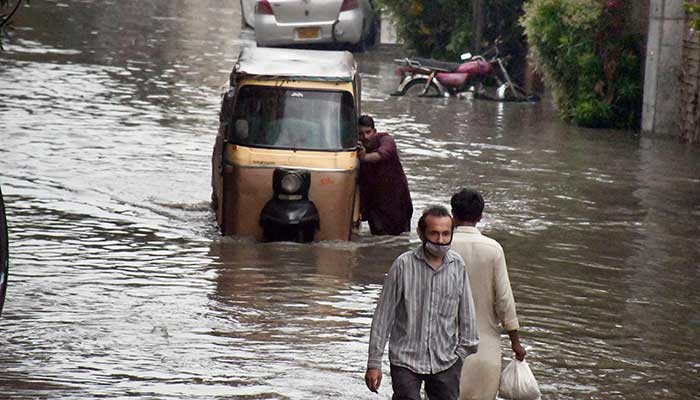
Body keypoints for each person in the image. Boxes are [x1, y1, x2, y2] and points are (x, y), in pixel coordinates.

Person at [365, 205, 479, 400]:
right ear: (421, 233)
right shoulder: (403, 265)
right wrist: (374, 363)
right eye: (434, 234)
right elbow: (383, 316)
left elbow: (467, 315)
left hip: (446, 360)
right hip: (405, 360)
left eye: (445, 234)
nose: (440, 240)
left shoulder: (457, 265)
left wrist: (461, 353)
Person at [449, 188, 526, 400]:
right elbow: (504, 301)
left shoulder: (442, 248)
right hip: (485, 349)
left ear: (453, 215)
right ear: (480, 217)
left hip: (444, 349)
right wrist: (515, 343)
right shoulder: (493, 249)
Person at [357, 115, 413, 235]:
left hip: (397, 204)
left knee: (399, 239)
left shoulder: (386, 140)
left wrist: (364, 157)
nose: (365, 137)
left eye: (368, 132)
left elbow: (383, 154)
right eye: (361, 134)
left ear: (375, 132)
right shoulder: (355, 149)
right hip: (375, 207)